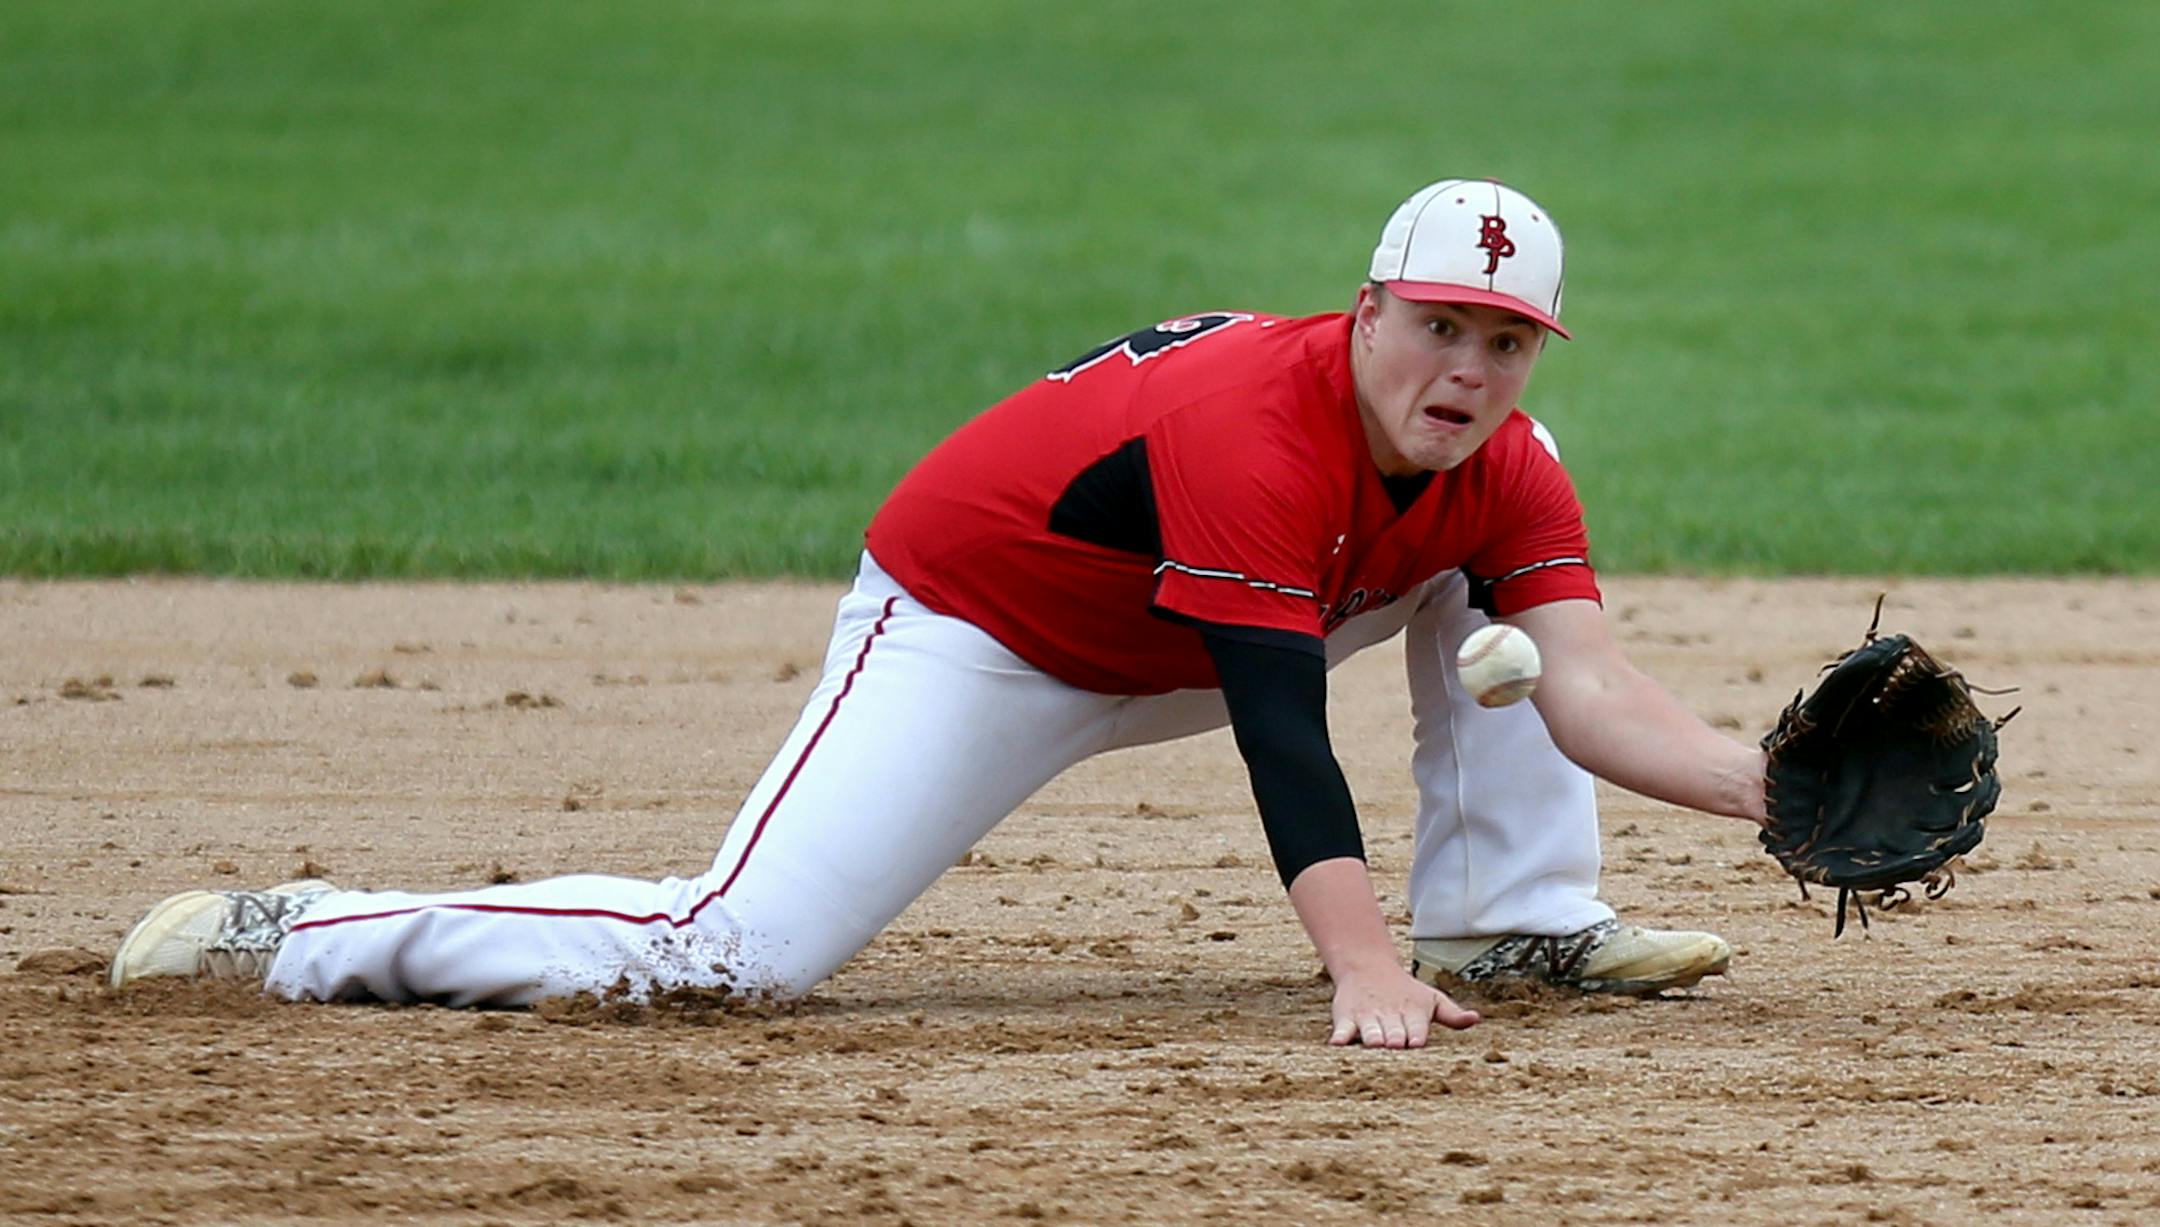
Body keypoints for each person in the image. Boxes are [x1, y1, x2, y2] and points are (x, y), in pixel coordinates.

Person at [110, 178, 1769, 1049]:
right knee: (732, 955)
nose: (1467, 371)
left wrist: (1775, 790)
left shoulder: (1507, 458)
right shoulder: (1253, 435)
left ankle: (1510, 913)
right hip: (989, 630)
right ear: (1365, 312)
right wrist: (1357, 973)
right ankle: (312, 934)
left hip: (1212, 614)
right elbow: (1281, 734)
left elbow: (1586, 681)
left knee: (1478, 597)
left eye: (1506, 343)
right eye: (1437, 328)